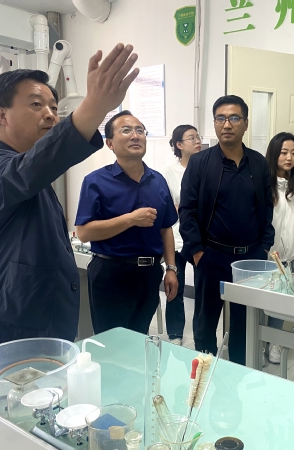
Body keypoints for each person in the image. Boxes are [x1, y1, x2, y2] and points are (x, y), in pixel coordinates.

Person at [0, 44, 139, 357]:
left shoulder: (35, 174)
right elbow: (29, 170)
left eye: (54, 107)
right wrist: (94, 106)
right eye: (36, 104)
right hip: (3, 332)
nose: (50, 114)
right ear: (2, 115)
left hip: (44, 326)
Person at [179, 95, 274, 365]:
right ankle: (206, 377)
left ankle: (239, 375)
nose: (227, 124)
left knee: (245, 325)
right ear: (214, 123)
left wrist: (264, 247)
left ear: (245, 123)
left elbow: (267, 208)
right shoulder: (200, 162)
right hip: (211, 256)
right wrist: (197, 252)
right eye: (220, 118)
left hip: (249, 260)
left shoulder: (258, 163)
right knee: (205, 325)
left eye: (234, 118)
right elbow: (187, 210)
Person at [75, 111, 178, 335]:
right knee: (111, 342)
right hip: (110, 273)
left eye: (140, 130)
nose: (135, 135)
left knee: (139, 337)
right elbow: (83, 232)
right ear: (110, 143)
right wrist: (130, 219)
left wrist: (171, 269)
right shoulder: (95, 181)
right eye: (126, 130)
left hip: (149, 273)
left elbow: (166, 228)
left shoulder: (158, 180)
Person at [265, 132, 294, 364]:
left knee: (280, 303)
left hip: (287, 257)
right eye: (283, 152)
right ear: (274, 154)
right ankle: (256, 341)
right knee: (261, 303)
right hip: (264, 256)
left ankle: (275, 344)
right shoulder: (264, 182)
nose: (289, 157)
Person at [161, 125, 202, 345]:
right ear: (179, 145)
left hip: (200, 239)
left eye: (198, 137)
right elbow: (166, 207)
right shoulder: (169, 172)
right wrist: (183, 209)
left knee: (203, 289)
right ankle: (175, 334)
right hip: (176, 239)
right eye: (191, 138)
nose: (198, 141)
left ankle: (200, 335)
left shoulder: (206, 168)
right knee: (175, 286)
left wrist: (183, 207)